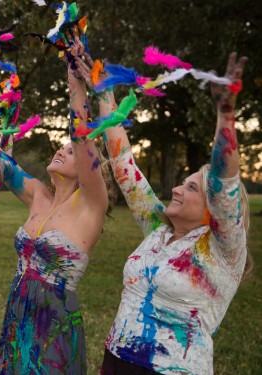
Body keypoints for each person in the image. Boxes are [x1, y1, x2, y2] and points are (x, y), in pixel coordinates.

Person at [86, 52, 252, 374]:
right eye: (182, 183)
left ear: (213, 208)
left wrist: (226, 115)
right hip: (116, 359)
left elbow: (223, 182)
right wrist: (104, 90)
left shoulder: (223, 250)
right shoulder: (158, 229)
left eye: (191, 189)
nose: (176, 189)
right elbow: (124, 166)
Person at [0, 40, 114, 374]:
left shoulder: (91, 204)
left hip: (54, 325)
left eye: (70, 151)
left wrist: (75, 81)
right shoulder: (37, 196)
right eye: (60, 149)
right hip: (17, 315)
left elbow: (81, 134)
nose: (62, 151)